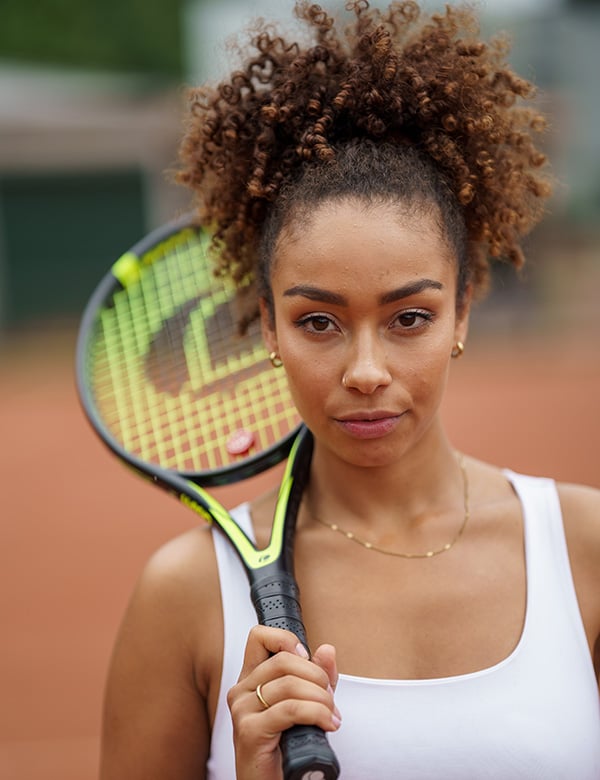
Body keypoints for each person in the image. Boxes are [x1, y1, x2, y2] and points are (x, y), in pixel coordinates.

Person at [99, 2, 600, 778]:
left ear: (462, 309)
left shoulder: (587, 547)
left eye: (408, 316)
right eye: (319, 323)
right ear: (267, 325)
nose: (366, 371)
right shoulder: (186, 594)